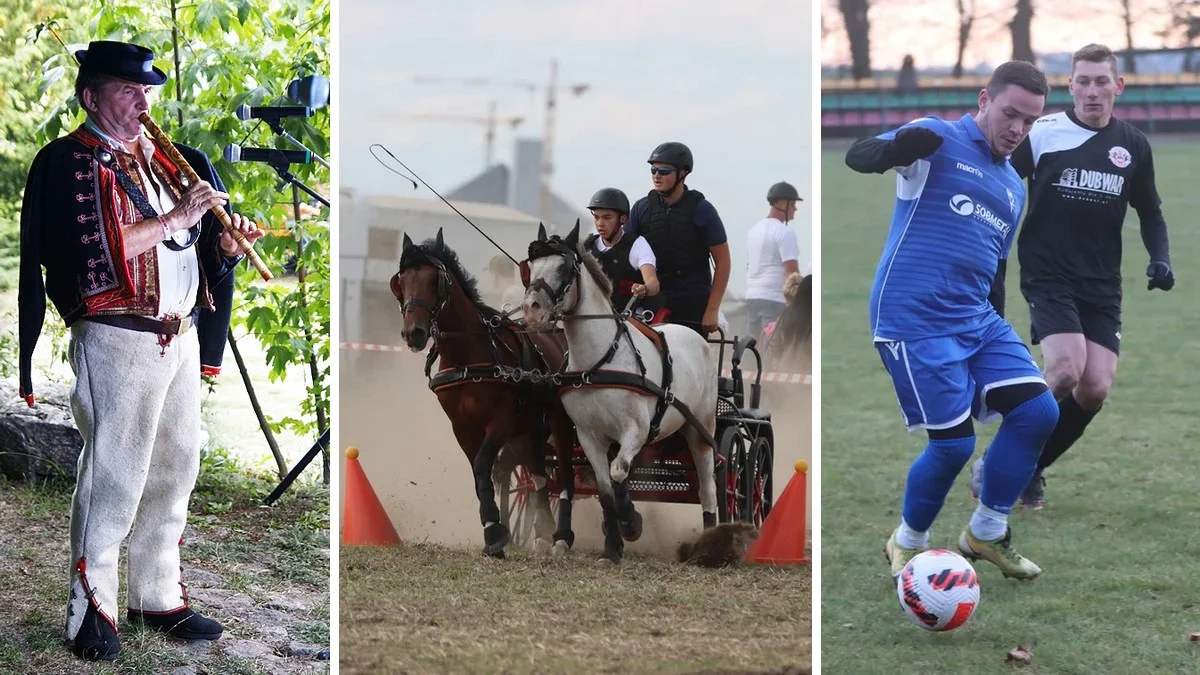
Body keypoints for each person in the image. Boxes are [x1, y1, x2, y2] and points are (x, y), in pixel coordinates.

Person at [18, 40, 264, 661]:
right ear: (91, 97)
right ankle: (90, 607)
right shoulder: (68, 162)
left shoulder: (169, 160)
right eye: (127, 90)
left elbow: (195, 251)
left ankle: (157, 596)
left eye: (146, 90)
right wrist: (178, 217)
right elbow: (84, 253)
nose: (142, 101)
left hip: (177, 334)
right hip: (116, 337)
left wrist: (227, 249)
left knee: (177, 464)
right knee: (115, 474)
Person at [844, 60, 1059, 581]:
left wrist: (997, 333)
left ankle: (985, 533)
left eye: (1030, 122)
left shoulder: (1014, 185)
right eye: (1011, 114)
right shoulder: (938, 139)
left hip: (977, 318)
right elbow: (859, 156)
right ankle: (907, 540)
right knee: (954, 445)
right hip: (912, 317)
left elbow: (995, 267)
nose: (1017, 129)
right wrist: (900, 148)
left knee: (1038, 411)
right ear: (985, 100)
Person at [970, 44, 1174, 510]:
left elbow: (1152, 212)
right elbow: (998, 184)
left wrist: (1160, 259)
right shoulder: (1043, 133)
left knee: (1095, 386)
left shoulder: (1133, 145)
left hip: (1102, 283)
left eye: (1102, 81)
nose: (1092, 91)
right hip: (1048, 274)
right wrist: (987, 251)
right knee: (1064, 370)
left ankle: (1031, 467)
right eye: (1083, 81)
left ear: (1118, 86)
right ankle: (998, 462)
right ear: (1071, 86)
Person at [624, 142, 730, 336]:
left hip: (692, 302)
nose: (657, 175)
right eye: (653, 170)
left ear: (682, 173)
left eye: (664, 170)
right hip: (651, 299)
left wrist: (712, 310)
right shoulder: (641, 208)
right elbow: (625, 251)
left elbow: (723, 262)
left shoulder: (703, 211)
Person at [582, 187, 664, 321]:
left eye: (607, 217)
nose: (600, 223)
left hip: (629, 318)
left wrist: (644, 288)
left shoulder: (637, 244)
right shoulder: (586, 247)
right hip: (593, 318)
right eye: (596, 217)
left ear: (623, 219)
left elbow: (653, 284)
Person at [745, 181, 803, 339]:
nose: (795, 209)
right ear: (782, 204)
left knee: (752, 346)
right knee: (772, 346)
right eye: (792, 205)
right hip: (774, 298)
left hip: (752, 295)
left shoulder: (753, 231)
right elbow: (792, 273)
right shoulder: (785, 233)